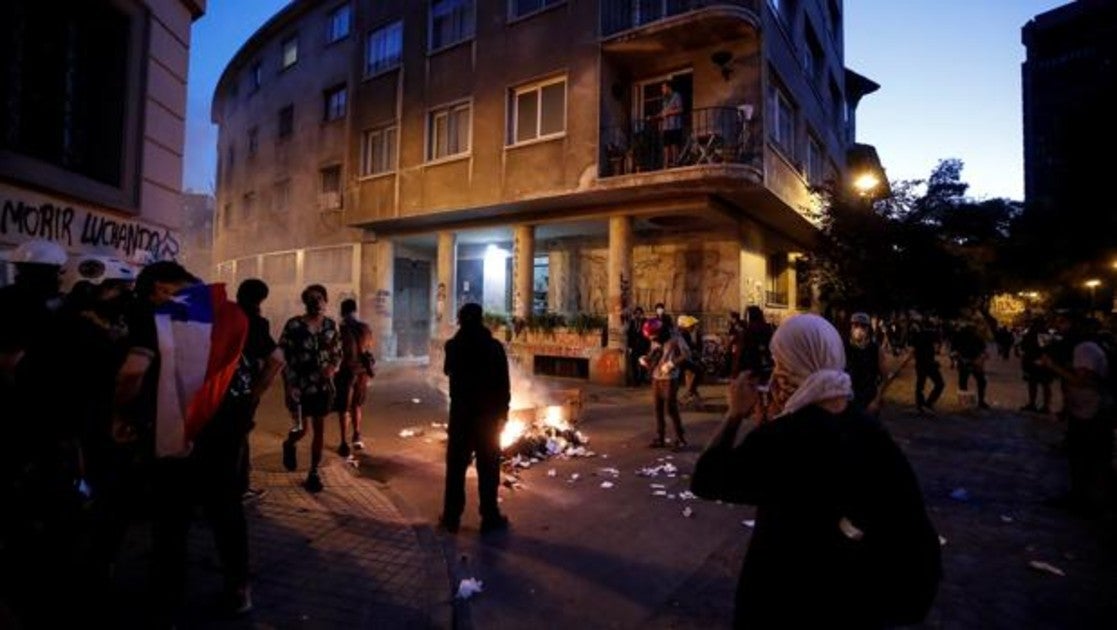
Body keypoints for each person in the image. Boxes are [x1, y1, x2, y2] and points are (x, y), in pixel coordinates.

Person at [691, 314, 941, 628]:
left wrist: (734, 414)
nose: (777, 374)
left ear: (797, 365)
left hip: (784, 606)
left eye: (781, 363)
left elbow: (706, 479)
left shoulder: (783, 440)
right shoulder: (869, 431)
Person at [113, 261, 252, 624]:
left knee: (171, 522)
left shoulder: (159, 317)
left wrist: (121, 411)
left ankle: (167, 604)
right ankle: (240, 591)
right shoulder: (234, 313)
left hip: (174, 433)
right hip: (224, 435)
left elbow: (133, 372)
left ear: (161, 286)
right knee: (226, 513)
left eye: (152, 293)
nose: (153, 300)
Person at [439, 303, 511, 535]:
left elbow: (448, 372)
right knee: (488, 467)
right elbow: (503, 385)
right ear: (482, 320)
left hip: (461, 416)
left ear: (461, 321)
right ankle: (489, 516)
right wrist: (503, 414)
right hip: (488, 418)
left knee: (456, 468)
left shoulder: (453, 346)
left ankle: (451, 517)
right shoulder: (494, 347)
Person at [1039, 312, 1112, 516]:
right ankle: (1085, 497)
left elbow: (1080, 380)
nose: (1060, 328)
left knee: (1085, 456)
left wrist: (1052, 366)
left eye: (1063, 323)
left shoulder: (1085, 349)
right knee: (1084, 456)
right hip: (1085, 409)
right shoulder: (1090, 346)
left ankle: (1087, 499)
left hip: (1090, 410)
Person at [279, 284, 342, 493]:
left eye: (320, 298)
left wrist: (333, 367)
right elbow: (282, 357)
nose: (317, 302)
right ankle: (289, 444)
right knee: (301, 428)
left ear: (326, 301)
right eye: (312, 299)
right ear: (305, 302)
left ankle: (314, 472)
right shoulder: (294, 325)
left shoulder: (331, 326)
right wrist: (288, 386)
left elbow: (337, 354)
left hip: (322, 387)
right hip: (298, 386)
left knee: (319, 429)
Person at [233, 279, 284, 501]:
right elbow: (276, 360)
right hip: (243, 390)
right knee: (238, 436)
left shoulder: (225, 317)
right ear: (262, 299)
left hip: (217, 389)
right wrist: (257, 390)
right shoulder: (257, 323)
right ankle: (239, 487)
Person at [334, 298, 375, 459]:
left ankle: (344, 443)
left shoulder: (340, 329)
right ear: (355, 310)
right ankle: (357, 436)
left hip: (345, 371)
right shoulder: (365, 328)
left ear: (342, 312)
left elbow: (338, 352)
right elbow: (369, 347)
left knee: (343, 408)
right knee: (356, 405)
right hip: (362, 372)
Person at [640, 316, 689, 449]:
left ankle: (680, 439)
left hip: (670, 378)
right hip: (656, 377)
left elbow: (686, 354)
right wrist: (646, 359)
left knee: (671, 409)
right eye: (650, 337)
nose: (651, 339)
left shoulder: (675, 337)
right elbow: (653, 353)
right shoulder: (656, 339)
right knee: (658, 408)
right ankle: (660, 437)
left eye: (653, 336)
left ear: (660, 331)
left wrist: (672, 364)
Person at [845, 312, 888, 417]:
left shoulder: (875, 349)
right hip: (848, 400)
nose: (859, 329)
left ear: (868, 329)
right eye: (856, 325)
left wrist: (876, 401)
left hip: (868, 400)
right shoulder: (843, 347)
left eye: (863, 326)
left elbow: (884, 377)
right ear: (851, 327)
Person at [907, 315, 944, 415]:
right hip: (928, 362)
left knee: (920, 385)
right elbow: (937, 348)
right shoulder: (933, 334)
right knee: (939, 384)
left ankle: (921, 405)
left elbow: (912, 349)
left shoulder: (917, 334)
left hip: (921, 362)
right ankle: (927, 404)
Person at [1018, 316, 1053, 413]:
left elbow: (1045, 349)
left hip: (1037, 362)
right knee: (1041, 384)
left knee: (1037, 384)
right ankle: (1041, 405)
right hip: (1036, 362)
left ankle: (1040, 405)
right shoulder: (1040, 333)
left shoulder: (1037, 333)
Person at [953, 322, 990, 409]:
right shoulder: (974, 337)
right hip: (970, 361)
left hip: (968, 361)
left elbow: (954, 349)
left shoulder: (961, 336)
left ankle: (967, 401)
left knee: (964, 381)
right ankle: (978, 401)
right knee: (979, 381)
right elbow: (982, 347)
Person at [654, 80, 685, 167]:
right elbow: (663, 112)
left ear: (668, 87)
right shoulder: (665, 100)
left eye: (663, 88)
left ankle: (676, 163)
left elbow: (680, 109)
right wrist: (657, 116)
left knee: (674, 144)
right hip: (666, 126)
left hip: (674, 125)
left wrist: (669, 113)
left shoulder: (676, 96)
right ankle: (666, 164)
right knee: (666, 145)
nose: (662, 90)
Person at [676, 314, 704, 408]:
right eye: (690, 326)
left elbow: (690, 346)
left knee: (694, 373)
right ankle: (690, 393)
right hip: (680, 359)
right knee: (696, 371)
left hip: (683, 359)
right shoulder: (681, 334)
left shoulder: (684, 333)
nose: (692, 328)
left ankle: (691, 394)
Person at [625, 306, 650, 386]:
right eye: (636, 313)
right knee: (634, 363)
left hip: (643, 346)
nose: (638, 315)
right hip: (634, 346)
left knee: (643, 363)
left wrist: (648, 346)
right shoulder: (632, 322)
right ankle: (635, 380)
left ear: (642, 314)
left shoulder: (645, 322)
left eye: (639, 313)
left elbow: (648, 335)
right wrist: (629, 346)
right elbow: (629, 334)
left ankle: (642, 378)